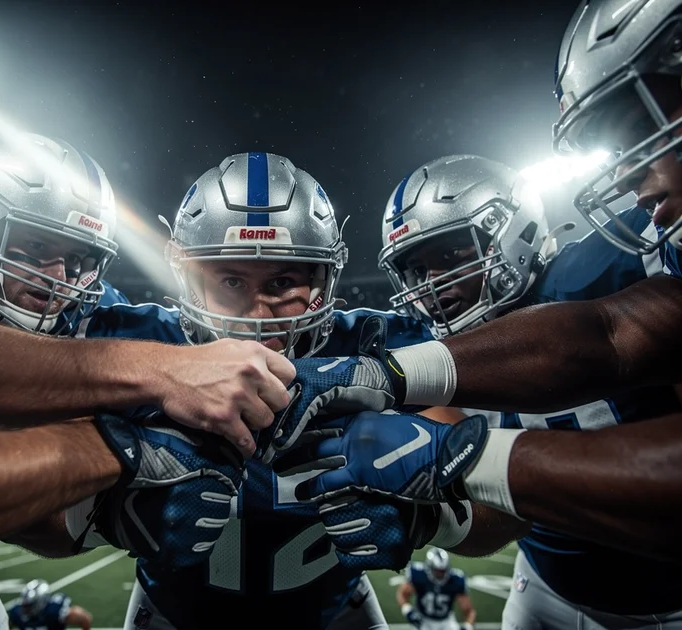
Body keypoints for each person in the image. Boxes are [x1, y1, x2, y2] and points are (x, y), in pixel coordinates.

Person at [25, 152, 463, 630]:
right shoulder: (140, 348)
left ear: (323, 282)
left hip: (335, 612)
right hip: (174, 616)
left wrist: (435, 518)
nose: (257, 314)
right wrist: (100, 518)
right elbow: (28, 510)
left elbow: (487, 504)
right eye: (231, 280)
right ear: (189, 281)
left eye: (282, 281)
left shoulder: (372, 351)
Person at [0, 132, 246, 628]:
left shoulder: (85, 315)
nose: (56, 279)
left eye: (78, 261)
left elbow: (33, 520)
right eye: (34, 248)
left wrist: (105, 519)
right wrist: (137, 402)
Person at [274, 155, 682, 628]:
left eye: (450, 256)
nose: (434, 285)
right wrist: (432, 519)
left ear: (510, 232)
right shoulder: (438, 358)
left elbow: (599, 338)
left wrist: (462, 457)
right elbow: (503, 516)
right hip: (545, 591)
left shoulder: (606, 272)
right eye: (416, 270)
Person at [397, 548, 476, 630]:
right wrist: (407, 610)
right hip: (423, 619)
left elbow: (469, 611)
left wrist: (468, 626)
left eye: (443, 570)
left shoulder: (456, 579)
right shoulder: (419, 574)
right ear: (430, 567)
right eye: (438, 571)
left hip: (446, 621)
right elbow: (403, 594)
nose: (441, 574)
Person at [8, 579, 92, 630]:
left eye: (29, 606)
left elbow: (84, 618)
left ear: (40, 603)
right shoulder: (16, 612)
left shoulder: (54, 611)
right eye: (24, 605)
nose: (24, 609)